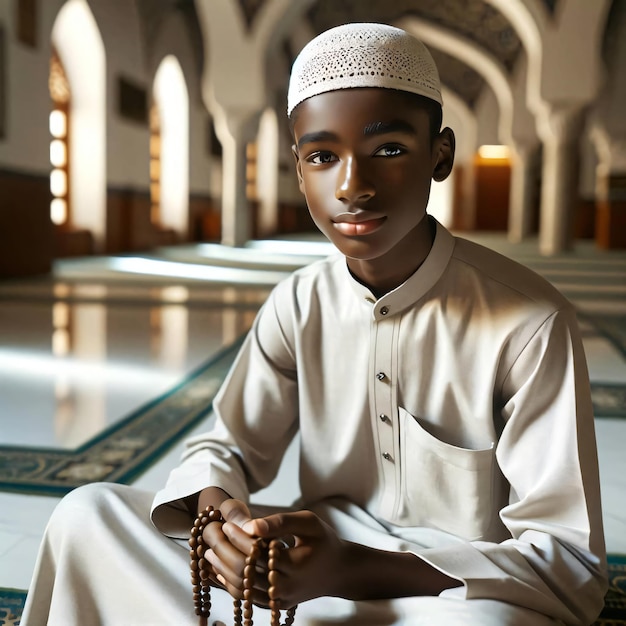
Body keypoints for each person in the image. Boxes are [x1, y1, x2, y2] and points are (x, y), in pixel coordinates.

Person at [21, 22, 607, 626]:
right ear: (298, 170)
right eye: (323, 156)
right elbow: (226, 446)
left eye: (388, 150)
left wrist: (351, 569)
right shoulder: (298, 303)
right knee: (87, 516)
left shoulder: (530, 323)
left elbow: (569, 563)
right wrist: (224, 518)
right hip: (301, 568)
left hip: (444, 587)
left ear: (441, 155)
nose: (352, 187)